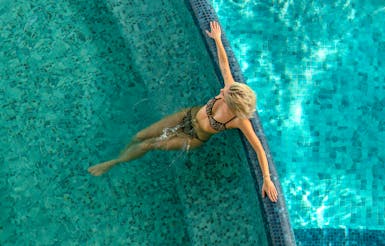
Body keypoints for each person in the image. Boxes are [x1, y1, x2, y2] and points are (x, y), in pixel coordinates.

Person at [88, 21, 279, 201]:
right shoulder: (230, 87)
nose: (222, 90)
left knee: (149, 145)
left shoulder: (238, 121)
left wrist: (267, 179)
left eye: (225, 96)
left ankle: (113, 163)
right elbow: (223, 64)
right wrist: (218, 39)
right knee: (140, 135)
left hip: (193, 138)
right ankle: (122, 153)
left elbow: (259, 149)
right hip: (186, 116)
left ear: (233, 107)